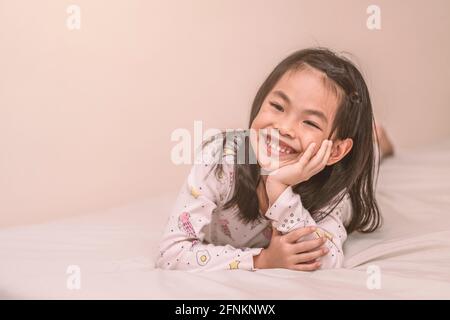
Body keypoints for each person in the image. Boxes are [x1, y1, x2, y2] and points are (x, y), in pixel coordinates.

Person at [155, 47, 393, 272]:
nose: (284, 127)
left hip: (342, 168)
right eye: (278, 106)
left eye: (309, 122)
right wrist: (262, 260)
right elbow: (171, 254)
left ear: (335, 151)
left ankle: (376, 140)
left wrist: (278, 189)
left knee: (367, 158)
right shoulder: (220, 162)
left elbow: (324, 259)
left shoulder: (334, 193)